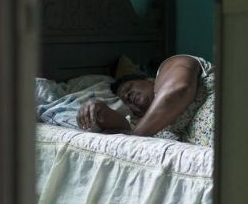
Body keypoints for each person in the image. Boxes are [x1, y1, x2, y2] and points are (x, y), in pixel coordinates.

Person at [76, 55, 215, 146]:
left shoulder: (168, 67)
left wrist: (135, 137)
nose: (128, 97)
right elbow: (124, 128)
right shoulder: (148, 125)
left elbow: (178, 89)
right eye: (126, 101)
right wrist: (96, 110)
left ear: (149, 80)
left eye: (129, 88)